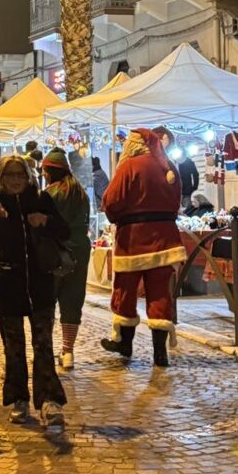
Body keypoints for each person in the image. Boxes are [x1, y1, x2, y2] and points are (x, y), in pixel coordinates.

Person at [0, 154, 69, 430]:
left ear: (28, 176)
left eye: (19, 175)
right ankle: (18, 399)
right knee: (13, 347)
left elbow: (65, 231)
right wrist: (3, 218)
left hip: (40, 282)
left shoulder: (42, 199)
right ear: (2, 178)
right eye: (9, 175)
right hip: (9, 282)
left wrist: (44, 220)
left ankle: (49, 400)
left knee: (43, 344)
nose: (15, 180)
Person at [100, 128, 184, 368]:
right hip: (166, 238)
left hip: (134, 239)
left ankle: (124, 343)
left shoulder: (130, 166)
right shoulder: (169, 166)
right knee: (159, 293)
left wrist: (117, 218)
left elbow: (112, 200)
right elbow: (177, 201)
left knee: (125, 291)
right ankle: (160, 353)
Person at [42, 149, 91, 370]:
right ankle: (68, 351)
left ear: (49, 172)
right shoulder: (80, 193)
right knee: (73, 300)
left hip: (54, 253)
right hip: (80, 252)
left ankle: (46, 349)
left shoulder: (49, 194)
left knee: (47, 301)